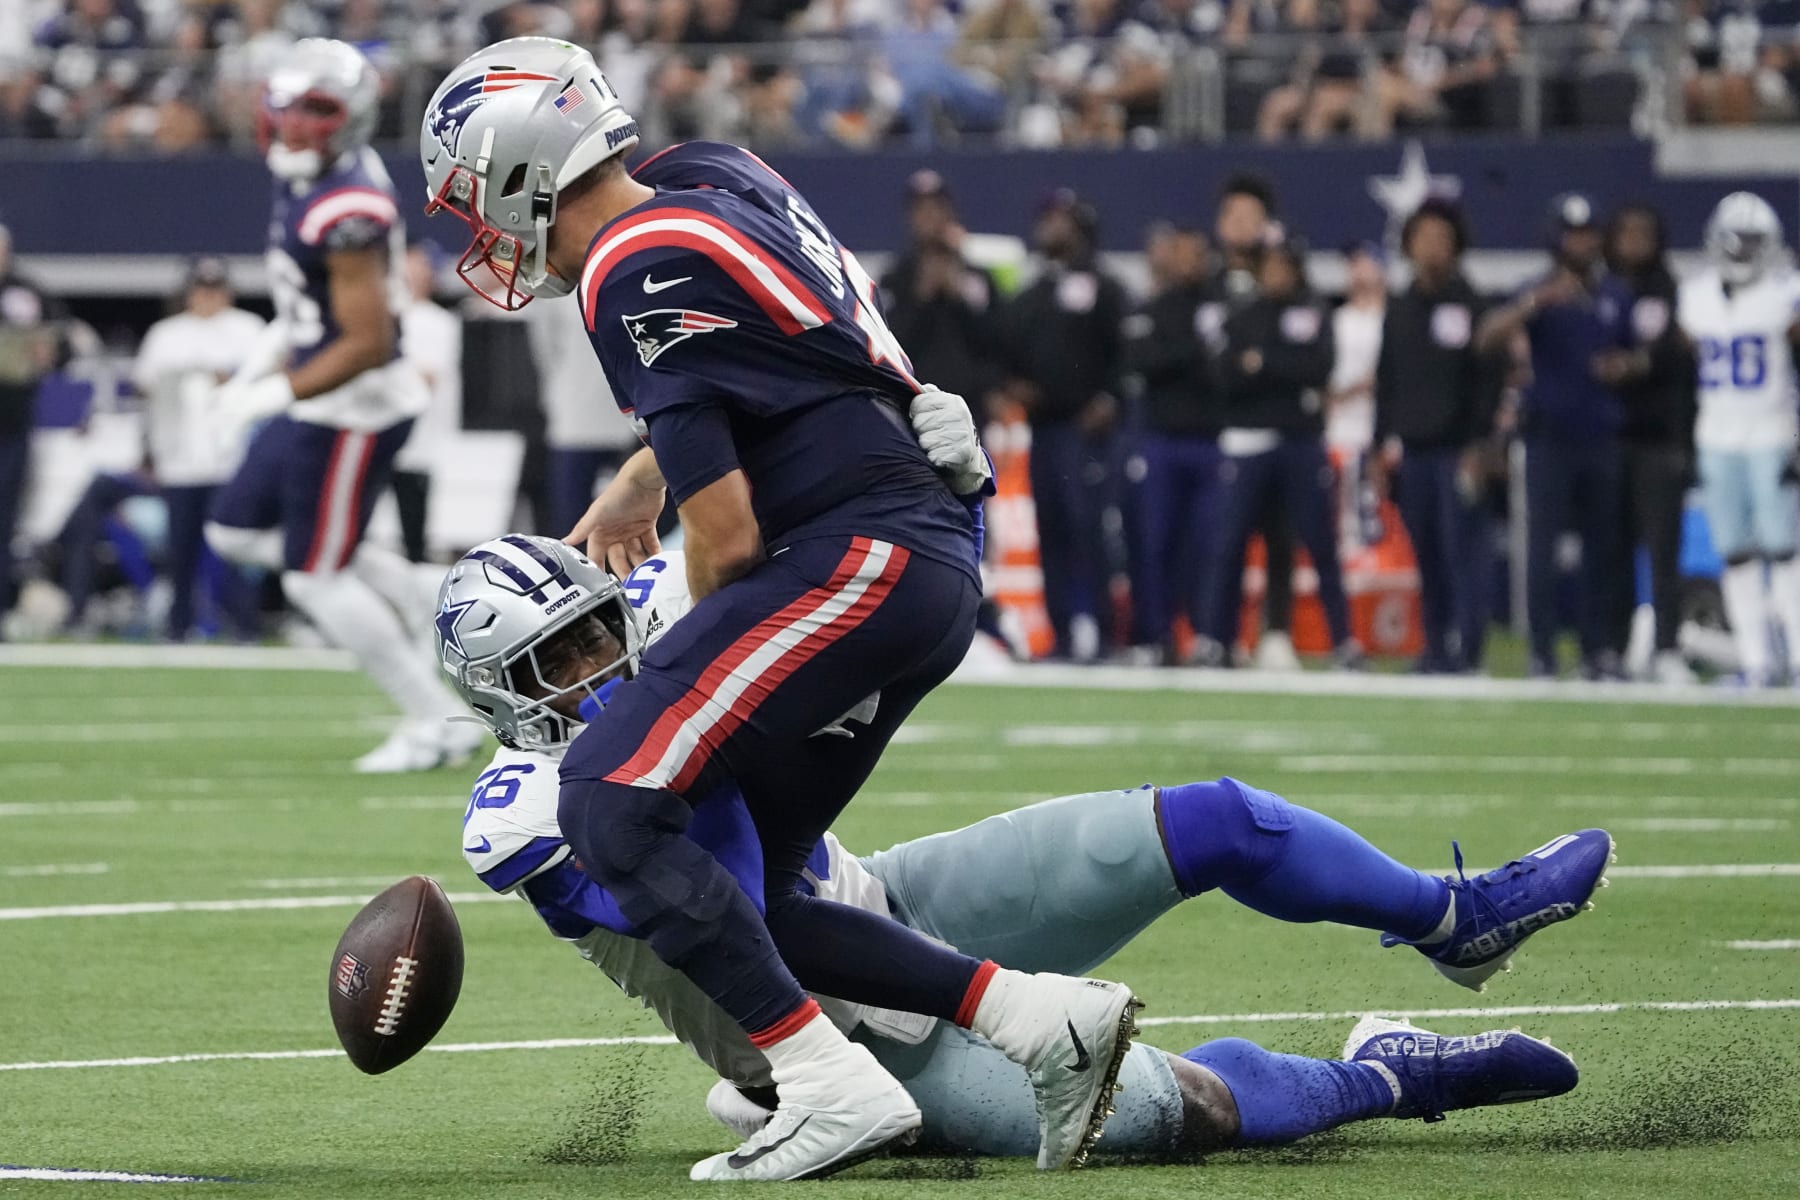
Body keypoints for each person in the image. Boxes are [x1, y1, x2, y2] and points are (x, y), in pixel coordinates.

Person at [421, 38, 1136, 1182]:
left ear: (523, 169)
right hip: (917, 549)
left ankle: (824, 1086)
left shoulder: (624, 265)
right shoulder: (715, 173)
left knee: (608, 796)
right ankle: (1043, 1024)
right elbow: (796, 366)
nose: (482, 232)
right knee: (760, 892)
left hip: (856, 556)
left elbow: (730, 538)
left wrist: (699, 648)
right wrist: (642, 481)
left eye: (476, 199)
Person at [440, 537, 1611, 1162]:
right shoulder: (523, 813)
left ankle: (1453, 916)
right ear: (507, 699)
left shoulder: (660, 638)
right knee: (1178, 1111)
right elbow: (735, 909)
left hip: (890, 895)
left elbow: (753, 532)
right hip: (849, 1042)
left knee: (1215, 819)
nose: (602, 660)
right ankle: (1393, 1073)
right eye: (562, 658)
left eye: (600, 627)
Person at [205, 38, 477, 772]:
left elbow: (367, 342)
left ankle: (440, 720)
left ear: (350, 116)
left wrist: (265, 392)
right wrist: (256, 373)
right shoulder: (308, 176)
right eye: (286, 106)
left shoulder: (346, 208)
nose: (294, 124)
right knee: (233, 530)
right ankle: (413, 588)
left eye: (316, 109)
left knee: (313, 576)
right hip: (322, 394)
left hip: (356, 408)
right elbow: (306, 314)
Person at [1476, 194, 1633, 680]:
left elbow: (1636, 356)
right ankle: (1542, 649)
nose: (1582, 242)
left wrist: (1625, 367)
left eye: (1589, 234)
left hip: (1601, 437)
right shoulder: (1536, 290)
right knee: (1540, 549)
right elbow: (1486, 339)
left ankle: (1598, 649)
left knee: (1603, 549)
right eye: (1574, 234)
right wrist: (1533, 304)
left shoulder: (1616, 295)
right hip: (1547, 439)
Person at [1209, 235, 1363, 668]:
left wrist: (1264, 363)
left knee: (1318, 541)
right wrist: (1279, 371)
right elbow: (1224, 375)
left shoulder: (1312, 311)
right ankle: (1217, 639)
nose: (1275, 275)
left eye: (1283, 267)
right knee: (1230, 544)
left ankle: (1344, 642)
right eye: (1269, 267)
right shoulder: (1243, 315)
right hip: (1251, 441)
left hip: (1299, 442)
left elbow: (1318, 366)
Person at [997, 188, 1128, 662]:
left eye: (1059, 218)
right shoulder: (1030, 294)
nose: (1049, 227)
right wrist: (1012, 385)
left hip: (1087, 430)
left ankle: (1106, 634)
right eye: (1045, 218)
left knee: (1089, 529)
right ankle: (1062, 636)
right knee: (1051, 530)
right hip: (1045, 428)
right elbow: (1005, 350)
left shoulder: (1104, 285)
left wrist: (1110, 397)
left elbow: (1124, 349)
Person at [1676, 192, 1800, 688]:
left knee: (1785, 549)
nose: (1744, 250)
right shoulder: (1696, 295)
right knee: (1736, 553)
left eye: (1753, 241)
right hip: (1717, 436)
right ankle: (1756, 660)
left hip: (1772, 432)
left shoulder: (1785, 292)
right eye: (1738, 239)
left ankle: (1794, 656)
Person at [1376, 199, 1500, 674]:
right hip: (1414, 452)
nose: (1431, 248)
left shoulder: (1473, 305)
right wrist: (1377, 445)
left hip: (1458, 451)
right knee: (1425, 555)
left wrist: (1480, 444)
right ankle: (1433, 647)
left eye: (1441, 239)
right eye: (1423, 238)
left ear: (1457, 247)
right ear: (1408, 245)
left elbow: (1489, 381)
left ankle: (1468, 651)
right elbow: (1386, 380)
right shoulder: (1401, 307)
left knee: (1463, 553)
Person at [129, 256, 267, 639]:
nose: (207, 297)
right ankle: (178, 625)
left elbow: (269, 379)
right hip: (181, 461)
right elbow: (143, 386)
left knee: (236, 546)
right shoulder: (166, 334)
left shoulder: (248, 329)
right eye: (201, 289)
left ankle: (245, 625)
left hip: (233, 459)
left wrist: (227, 378)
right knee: (181, 550)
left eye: (214, 288)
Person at [1200, 173, 1298, 670]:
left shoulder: (1285, 280)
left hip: (1276, 430)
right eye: (1232, 215)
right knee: (1219, 542)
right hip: (1214, 430)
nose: (1239, 226)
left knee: (1281, 536)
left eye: (1249, 216)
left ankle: (1276, 633)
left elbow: (1303, 354)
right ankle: (1217, 634)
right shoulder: (1206, 282)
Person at [1605, 203, 1698, 685]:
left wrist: (1638, 365)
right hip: (1609, 439)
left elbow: (1681, 367)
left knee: (1663, 551)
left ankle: (1667, 646)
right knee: (1612, 552)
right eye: (1627, 232)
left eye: (1645, 232)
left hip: (1658, 440)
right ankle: (1613, 648)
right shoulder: (1600, 291)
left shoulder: (1674, 291)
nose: (1635, 242)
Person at [1122, 222, 1219, 662]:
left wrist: (1183, 354)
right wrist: (1195, 351)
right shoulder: (1153, 307)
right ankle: (1156, 635)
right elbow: (1142, 361)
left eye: (1196, 254)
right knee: (1154, 542)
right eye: (1182, 253)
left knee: (1205, 545)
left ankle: (1206, 634)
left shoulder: (1222, 306)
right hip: (1161, 440)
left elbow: (1228, 368)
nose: (1189, 263)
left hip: (1209, 439)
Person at [878, 170, 1003, 420]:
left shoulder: (977, 277)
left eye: (936, 207)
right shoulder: (894, 278)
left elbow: (996, 342)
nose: (929, 216)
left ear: (950, 212)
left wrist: (959, 299)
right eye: (921, 209)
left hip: (970, 405)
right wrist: (921, 298)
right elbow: (888, 343)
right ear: (910, 218)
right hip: (914, 403)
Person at [527, 292, 643, 537]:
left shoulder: (621, 278)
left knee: (627, 522)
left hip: (628, 422)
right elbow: (544, 350)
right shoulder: (553, 291)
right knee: (572, 524)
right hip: (573, 424)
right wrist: (558, 398)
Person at [0, 223, 65, 632]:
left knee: (5, 519)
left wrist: (47, 352)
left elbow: (59, 344)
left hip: (10, 423)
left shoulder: (25, 291)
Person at [393, 242, 463, 564]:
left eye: (421, 266)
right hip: (381, 445)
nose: (413, 273)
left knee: (417, 538)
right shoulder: (383, 316)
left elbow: (425, 379)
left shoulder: (440, 323)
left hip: (422, 449)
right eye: (409, 264)